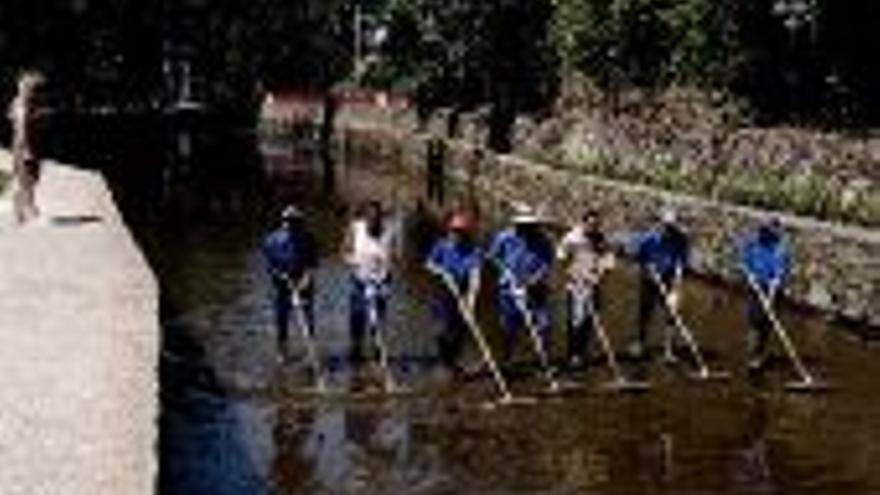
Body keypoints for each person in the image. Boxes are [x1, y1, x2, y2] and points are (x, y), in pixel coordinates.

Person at [487, 203, 555, 364]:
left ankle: (542, 360)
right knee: (509, 327)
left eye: (530, 225)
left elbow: (548, 261)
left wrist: (537, 277)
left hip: (536, 288)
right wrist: (505, 271)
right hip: (509, 289)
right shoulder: (504, 237)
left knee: (544, 325)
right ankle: (506, 358)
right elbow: (492, 257)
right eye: (523, 225)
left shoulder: (544, 240)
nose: (527, 228)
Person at [557, 209, 616, 369]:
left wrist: (600, 276)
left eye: (596, 225)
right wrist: (571, 274)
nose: (593, 228)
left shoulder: (601, 239)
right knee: (576, 320)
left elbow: (609, 261)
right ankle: (573, 354)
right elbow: (562, 258)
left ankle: (582, 351)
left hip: (594, 284)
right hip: (576, 285)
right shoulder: (572, 238)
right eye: (590, 224)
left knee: (590, 319)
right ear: (583, 222)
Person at [426, 210, 482, 375]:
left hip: (462, 291)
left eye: (461, 231)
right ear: (449, 230)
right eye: (454, 231)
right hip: (441, 292)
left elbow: (475, 276)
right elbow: (429, 263)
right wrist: (442, 272)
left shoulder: (473, 250)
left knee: (459, 329)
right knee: (442, 330)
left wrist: (471, 302)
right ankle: (444, 360)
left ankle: (454, 362)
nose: (457, 234)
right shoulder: (441, 245)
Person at [342, 201, 399, 364]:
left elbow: (395, 257)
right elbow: (344, 251)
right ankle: (355, 350)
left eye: (376, 218)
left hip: (381, 281)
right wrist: (352, 261)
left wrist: (386, 274)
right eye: (370, 218)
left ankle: (377, 350)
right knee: (357, 315)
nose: (372, 222)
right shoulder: (355, 228)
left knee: (378, 317)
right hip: (359, 280)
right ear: (365, 218)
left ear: (381, 219)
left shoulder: (390, 231)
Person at [631, 208, 690, 361]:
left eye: (671, 226)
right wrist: (647, 268)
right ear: (660, 224)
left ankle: (668, 349)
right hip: (649, 279)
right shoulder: (649, 239)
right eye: (666, 225)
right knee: (645, 312)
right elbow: (638, 259)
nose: (668, 229)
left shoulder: (681, 239)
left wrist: (676, 287)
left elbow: (680, 264)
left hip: (669, 278)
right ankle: (640, 342)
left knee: (673, 312)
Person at [262, 205, 319, 361]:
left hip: (304, 284)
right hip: (281, 286)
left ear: (301, 222)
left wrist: (306, 279)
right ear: (282, 221)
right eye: (288, 221)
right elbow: (270, 266)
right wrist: (281, 277)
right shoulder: (271, 240)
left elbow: (312, 264)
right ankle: (282, 352)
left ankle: (310, 351)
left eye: (295, 221)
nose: (291, 224)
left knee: (307, 318)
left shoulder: (309, 238)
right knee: (281, 320)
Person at [739, 218, 790, 372]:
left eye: (766, 231)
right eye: (761, 231)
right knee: (754, 323)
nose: (762, 234)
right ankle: (751, 357)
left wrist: (770, 299)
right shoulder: (752, 242)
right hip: (755, 287)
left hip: (772, 288)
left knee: (767, 326)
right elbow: (744, 263)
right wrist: (749, 275)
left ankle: (760, 355)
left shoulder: (780, 250)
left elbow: (778, 276)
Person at [8, 71, 44, 224]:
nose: (34, 91)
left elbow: (15, 120)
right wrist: (26, 149)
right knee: (27, 178)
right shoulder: (22, 105)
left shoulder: (19, 102)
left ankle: (27, 205)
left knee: (30, 177)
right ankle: (21, 209)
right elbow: (22, 127)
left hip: (22, 144)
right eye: (31, 87)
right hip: (25, 145)